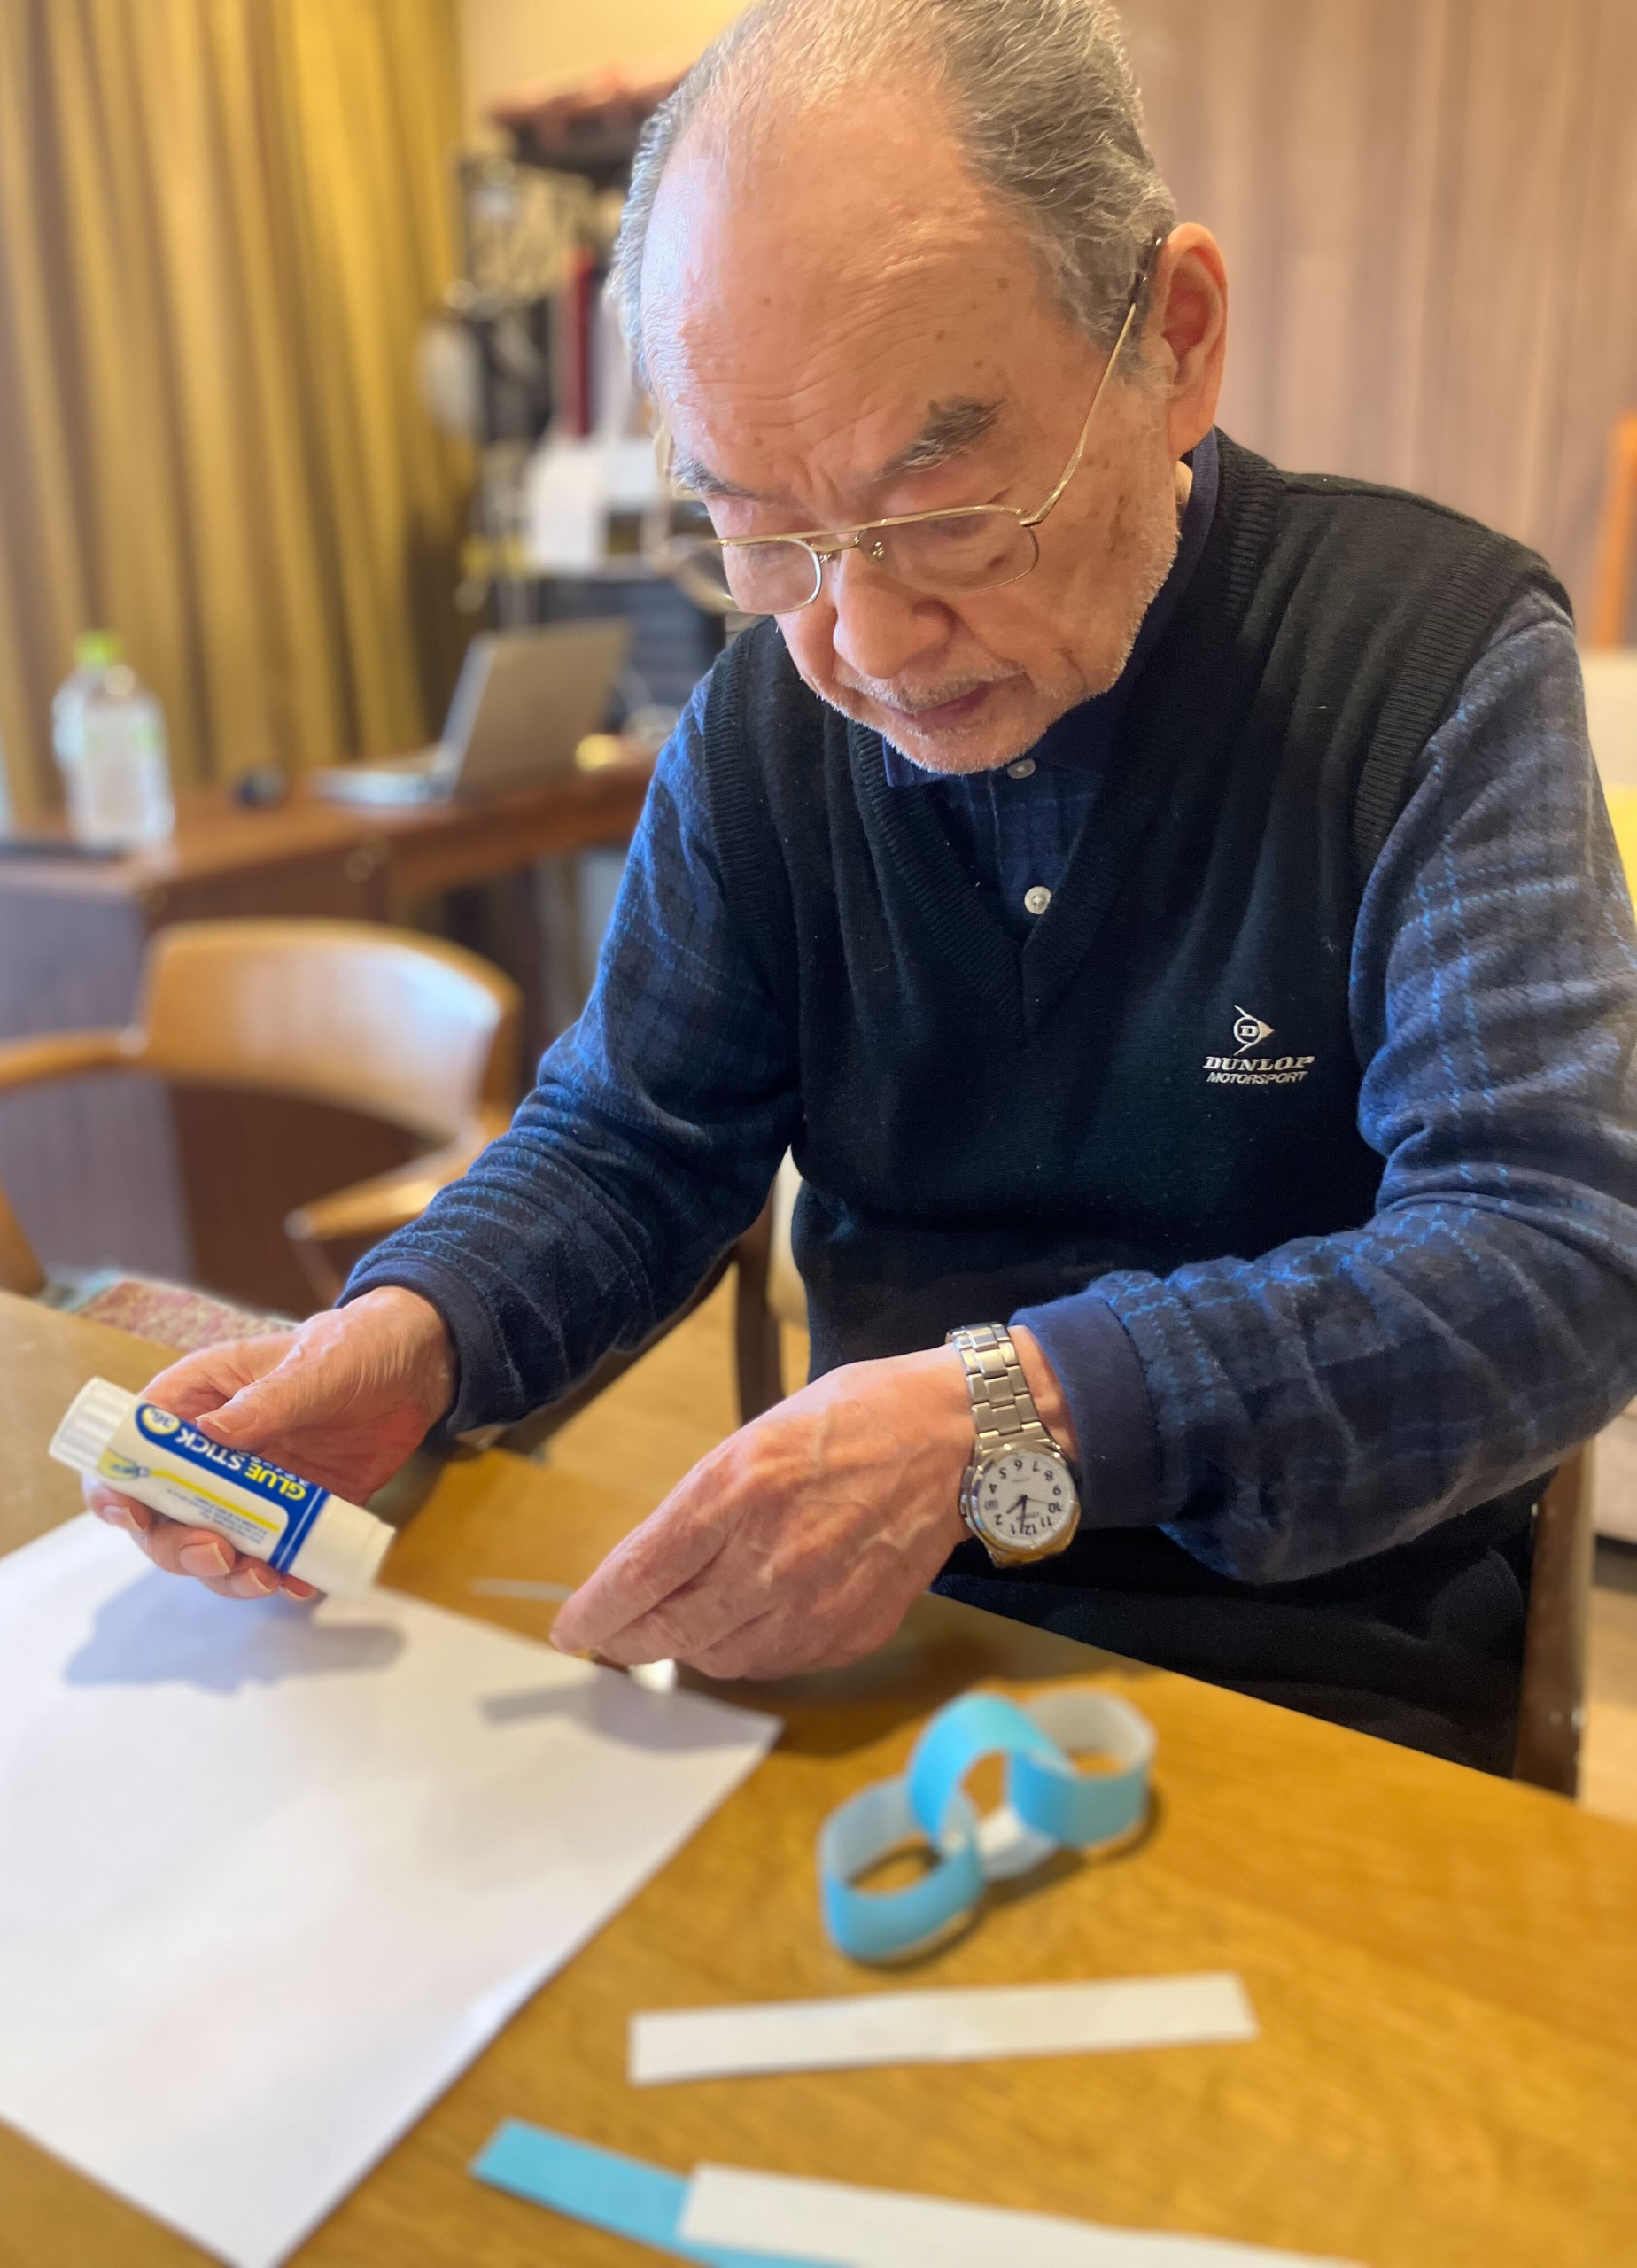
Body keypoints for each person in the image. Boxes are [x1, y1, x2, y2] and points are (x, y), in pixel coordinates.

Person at [89, 0, 1637, 1773]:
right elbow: (633, 1136)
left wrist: (1008, 1417)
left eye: (945, 511)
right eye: (763, 534)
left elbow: (1557, 1252)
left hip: (1324, 1672)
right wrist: (412, 1331)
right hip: (856, 1626)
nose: (868, 644)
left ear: (1176, 341)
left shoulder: (1428, 663)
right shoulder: (770, 718)